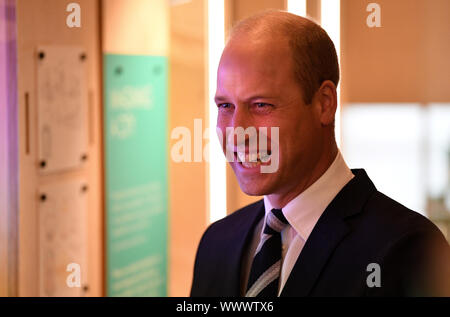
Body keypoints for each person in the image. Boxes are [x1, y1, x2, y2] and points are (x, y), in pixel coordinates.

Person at [190, 10, 450, 297]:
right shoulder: (215, 244)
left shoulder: (409, 250)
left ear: (324, 104)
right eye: (225, 106)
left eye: (261, 105)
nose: (237, 132)